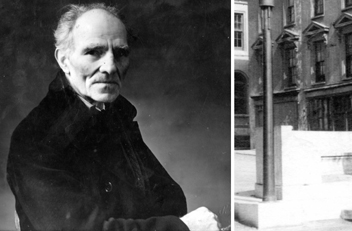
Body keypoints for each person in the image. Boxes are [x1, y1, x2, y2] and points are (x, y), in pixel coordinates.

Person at [6, 3, 219, 231]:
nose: (110, 66)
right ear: (64, 60)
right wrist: (180, 228)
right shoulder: (35, 137)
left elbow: (169, 196)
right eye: (93, 52)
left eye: (120, 53)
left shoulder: (113, 114)